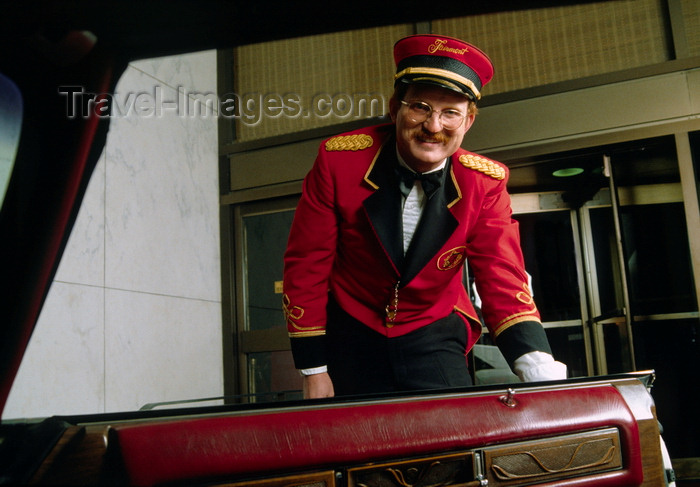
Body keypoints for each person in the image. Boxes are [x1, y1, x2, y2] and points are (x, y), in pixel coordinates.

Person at [282, 34, 566, 399]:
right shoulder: (339, 161)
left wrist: (538, 369)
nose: (434, 126)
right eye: (420, 107)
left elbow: (501, 276)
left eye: (451, 113)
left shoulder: (485, 183)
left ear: (468, 121)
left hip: (434, 329)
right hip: (352, 327)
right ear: (394, 108)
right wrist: (313, 370)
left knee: (453, 442)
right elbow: (307, 264)